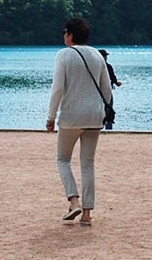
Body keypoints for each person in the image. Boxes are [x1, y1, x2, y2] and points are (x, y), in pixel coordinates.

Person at [46, 17, 113, 226]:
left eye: (65, 33)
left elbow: (57, 89)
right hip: (94, 117)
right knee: (88, 164)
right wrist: (103, 111)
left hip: (71, 117)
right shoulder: (97, 55)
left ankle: (73, 201)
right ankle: (86, 214)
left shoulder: (64, 55)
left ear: (71, 35)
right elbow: (107, 90)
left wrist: (50, 117)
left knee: (63, 159)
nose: (64, 36)